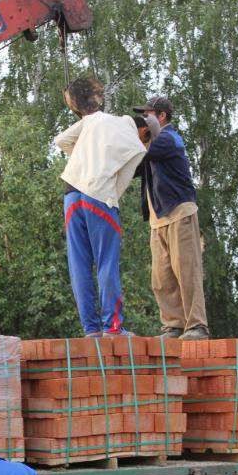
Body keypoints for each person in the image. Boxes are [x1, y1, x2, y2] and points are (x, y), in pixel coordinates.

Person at [54, 76, 146, 336]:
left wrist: (84, 157)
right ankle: (113, 328)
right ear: (143, 132)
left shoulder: (93, 119)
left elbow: (61, 140)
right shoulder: (136, 145)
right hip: (99, 197)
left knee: (79, 263)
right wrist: (109, 198)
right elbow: (122, 181)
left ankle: (91, 329)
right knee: (106, 261)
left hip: (71, 192)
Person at [133, 96, 210, 340]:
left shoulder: (168, 138)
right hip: (159, 219)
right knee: (162, 278)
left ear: (161, 116)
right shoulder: (151, 144)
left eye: (147, 115)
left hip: (179, 213)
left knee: (187, 271)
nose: (143, 120)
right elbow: (134, 167)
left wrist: (131, 139)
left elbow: (142, 154)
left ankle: (197, 326)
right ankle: (174, 325)